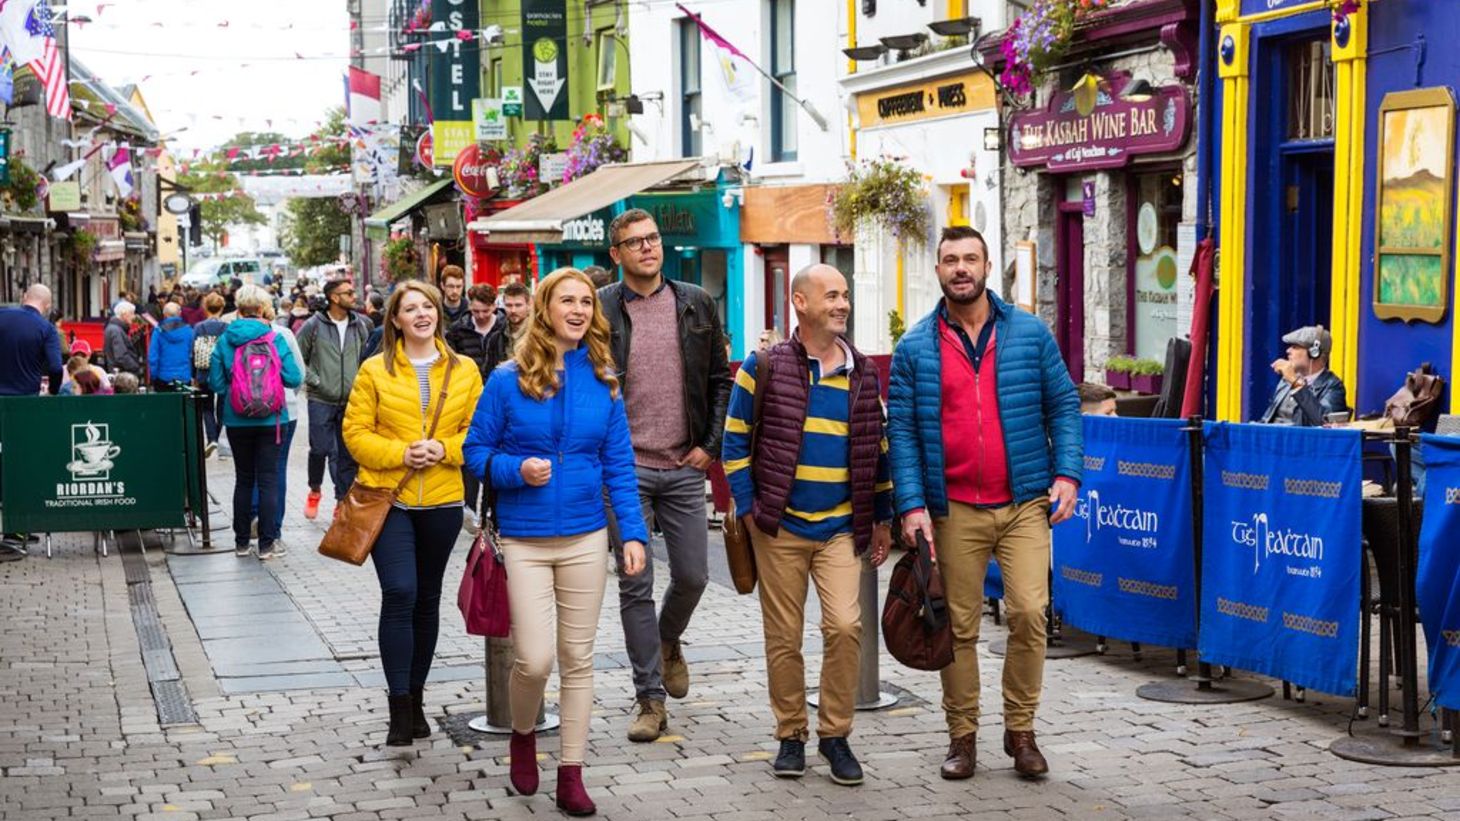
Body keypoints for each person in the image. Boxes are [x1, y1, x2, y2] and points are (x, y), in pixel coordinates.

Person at [887, 225, 1082, 781]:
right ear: (938, 270)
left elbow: (1064, 404)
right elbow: (901, 432)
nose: (961, 268)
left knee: (1029, 613)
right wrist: (912, 504)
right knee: (958, 628)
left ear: (987, 267)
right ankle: (963, 735)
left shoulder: (1029, 333)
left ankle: (1021, 731)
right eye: (950, 260)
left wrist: (1068, 473)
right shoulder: (915, 346)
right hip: (952, 509)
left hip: (1024, 502)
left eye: (970, 258)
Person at [463, 268, 648, 816]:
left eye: (586, 302)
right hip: (524, 539)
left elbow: (619, 465)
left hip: (586, 536)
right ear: (544, 308)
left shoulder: (604, 378)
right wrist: (518, 470)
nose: (579, 310)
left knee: (578, 658)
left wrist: (633, 533)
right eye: (567, 300)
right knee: (535, 660)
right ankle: (523, 733)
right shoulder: (507, 379)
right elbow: (475, 454)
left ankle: (571, 771)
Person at [721, 264, 894, 786]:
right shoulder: (763, 366)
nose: (842, 304)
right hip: (779, 528)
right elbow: (734, 441)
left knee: (845, 627)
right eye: (831, 295)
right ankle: (791, 734)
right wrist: (751, 511)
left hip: (841, 526)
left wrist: (882, 517)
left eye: (845, 295)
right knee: (784, 637)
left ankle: (835, 734)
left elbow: (877, 448)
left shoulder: (863, 372)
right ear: (800, 301)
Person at [599, 208, 733, 741]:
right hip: (625, 469)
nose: (648, 248)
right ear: (617, 254)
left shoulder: (695, 302)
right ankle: (650, 700)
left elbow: (720, 380)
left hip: (683, 466)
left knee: (694, 576)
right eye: (635, 242)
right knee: (636, 583)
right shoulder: (601, 308)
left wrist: (710, 446)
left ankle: (667, 638)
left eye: (652, 238)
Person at [341, 280, 483, 749]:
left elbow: (479, 432)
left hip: (442, 501)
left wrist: (444, 448)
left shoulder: (464, 370)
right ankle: (399, 706)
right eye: (411, 308)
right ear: (396, 320)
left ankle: (417, 699)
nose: (422, 314)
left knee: (426, 599)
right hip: (390, 499)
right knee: (400, 591)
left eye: (428, 306)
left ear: (438, 314)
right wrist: (402, 453)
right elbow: (355, 433)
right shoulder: (374, 370)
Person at [208, 284, 303, 560]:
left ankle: (241, 543)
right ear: (262, 309)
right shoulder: (275, 338)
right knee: (269, 480)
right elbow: (294, 378)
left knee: (244, 479)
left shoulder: (225, 340)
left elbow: (216, 383)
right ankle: (267, 544)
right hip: (272, 420)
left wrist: (236, 390)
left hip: (237, 420)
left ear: (238, 310)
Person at [296, 278, 373, 519]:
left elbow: (368, 359)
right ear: (334, 297)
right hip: (321, 398)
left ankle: (342, 500)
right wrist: (315, 381)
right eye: (348, 293)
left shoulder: (361, 324)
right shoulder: (313, 326)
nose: (353, 296)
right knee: (319, 449)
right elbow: (298, 358)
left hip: (351, 399)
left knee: (346, 454)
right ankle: (315, 489)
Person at [445, 283, 511, 532]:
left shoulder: (503, 329)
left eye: (485, 311)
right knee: (472, 449)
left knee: (498, 452)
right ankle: (469, 508)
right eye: (476, 311)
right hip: (468, 398)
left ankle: (494, 509)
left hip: (497, 399)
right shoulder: (458, 330)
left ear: (494, 306)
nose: (481, 315)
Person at [248, 301, 305, 548]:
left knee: (248, 470)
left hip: (244, 412)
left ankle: (251, 520)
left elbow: (219, 379)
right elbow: (298, 375)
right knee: (276, 469)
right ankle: (273, 529)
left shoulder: (232, 336)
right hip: (282, 411)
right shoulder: (282, 334)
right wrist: (288, 394)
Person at [1258, 325, 1348, 426]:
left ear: (1314, 353)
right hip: (1273, 435)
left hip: (1299, 436)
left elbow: (1325, 423)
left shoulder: (1332, 386)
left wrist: (1296, 383)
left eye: (1295, 347)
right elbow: (1267, 419)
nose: (1288, 351)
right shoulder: (1286, 381)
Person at [0, 284, 63, 396]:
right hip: (27, 396)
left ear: (25, 297)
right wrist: (53, 391)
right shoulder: (47, 329)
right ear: (48, 305)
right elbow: (56, 368)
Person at [193, 294, 229, 454]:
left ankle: (212, 438)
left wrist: (194, 375)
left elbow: (193, 352)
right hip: (221, 371)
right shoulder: (226, 327)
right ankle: (218, 435)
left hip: (203, 370)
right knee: (222, 407)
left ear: (205, 308)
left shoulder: (199, 327)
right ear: (222, 308)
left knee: (207, 407)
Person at [148, 302, 196, 391]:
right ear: (179, 313)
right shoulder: (189, 331)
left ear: (164, 314)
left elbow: (153, 357)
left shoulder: (158, 331)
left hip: (163, 377)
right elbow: (192, 353)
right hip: (184, 376)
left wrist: (153, 376)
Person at [103, 300, 145, 378]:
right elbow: (121, 356)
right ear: (124, 315)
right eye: (131, 314)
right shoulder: (116, 330)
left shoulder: (115, 328)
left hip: (120, 372)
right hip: (122, 375)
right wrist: (135, 366)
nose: (133, 317)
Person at [501, 281, 531, 351]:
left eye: (518, 305)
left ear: (528, 305)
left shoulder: (540, 334)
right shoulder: (497, 337)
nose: (513, 310)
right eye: (509, 305)